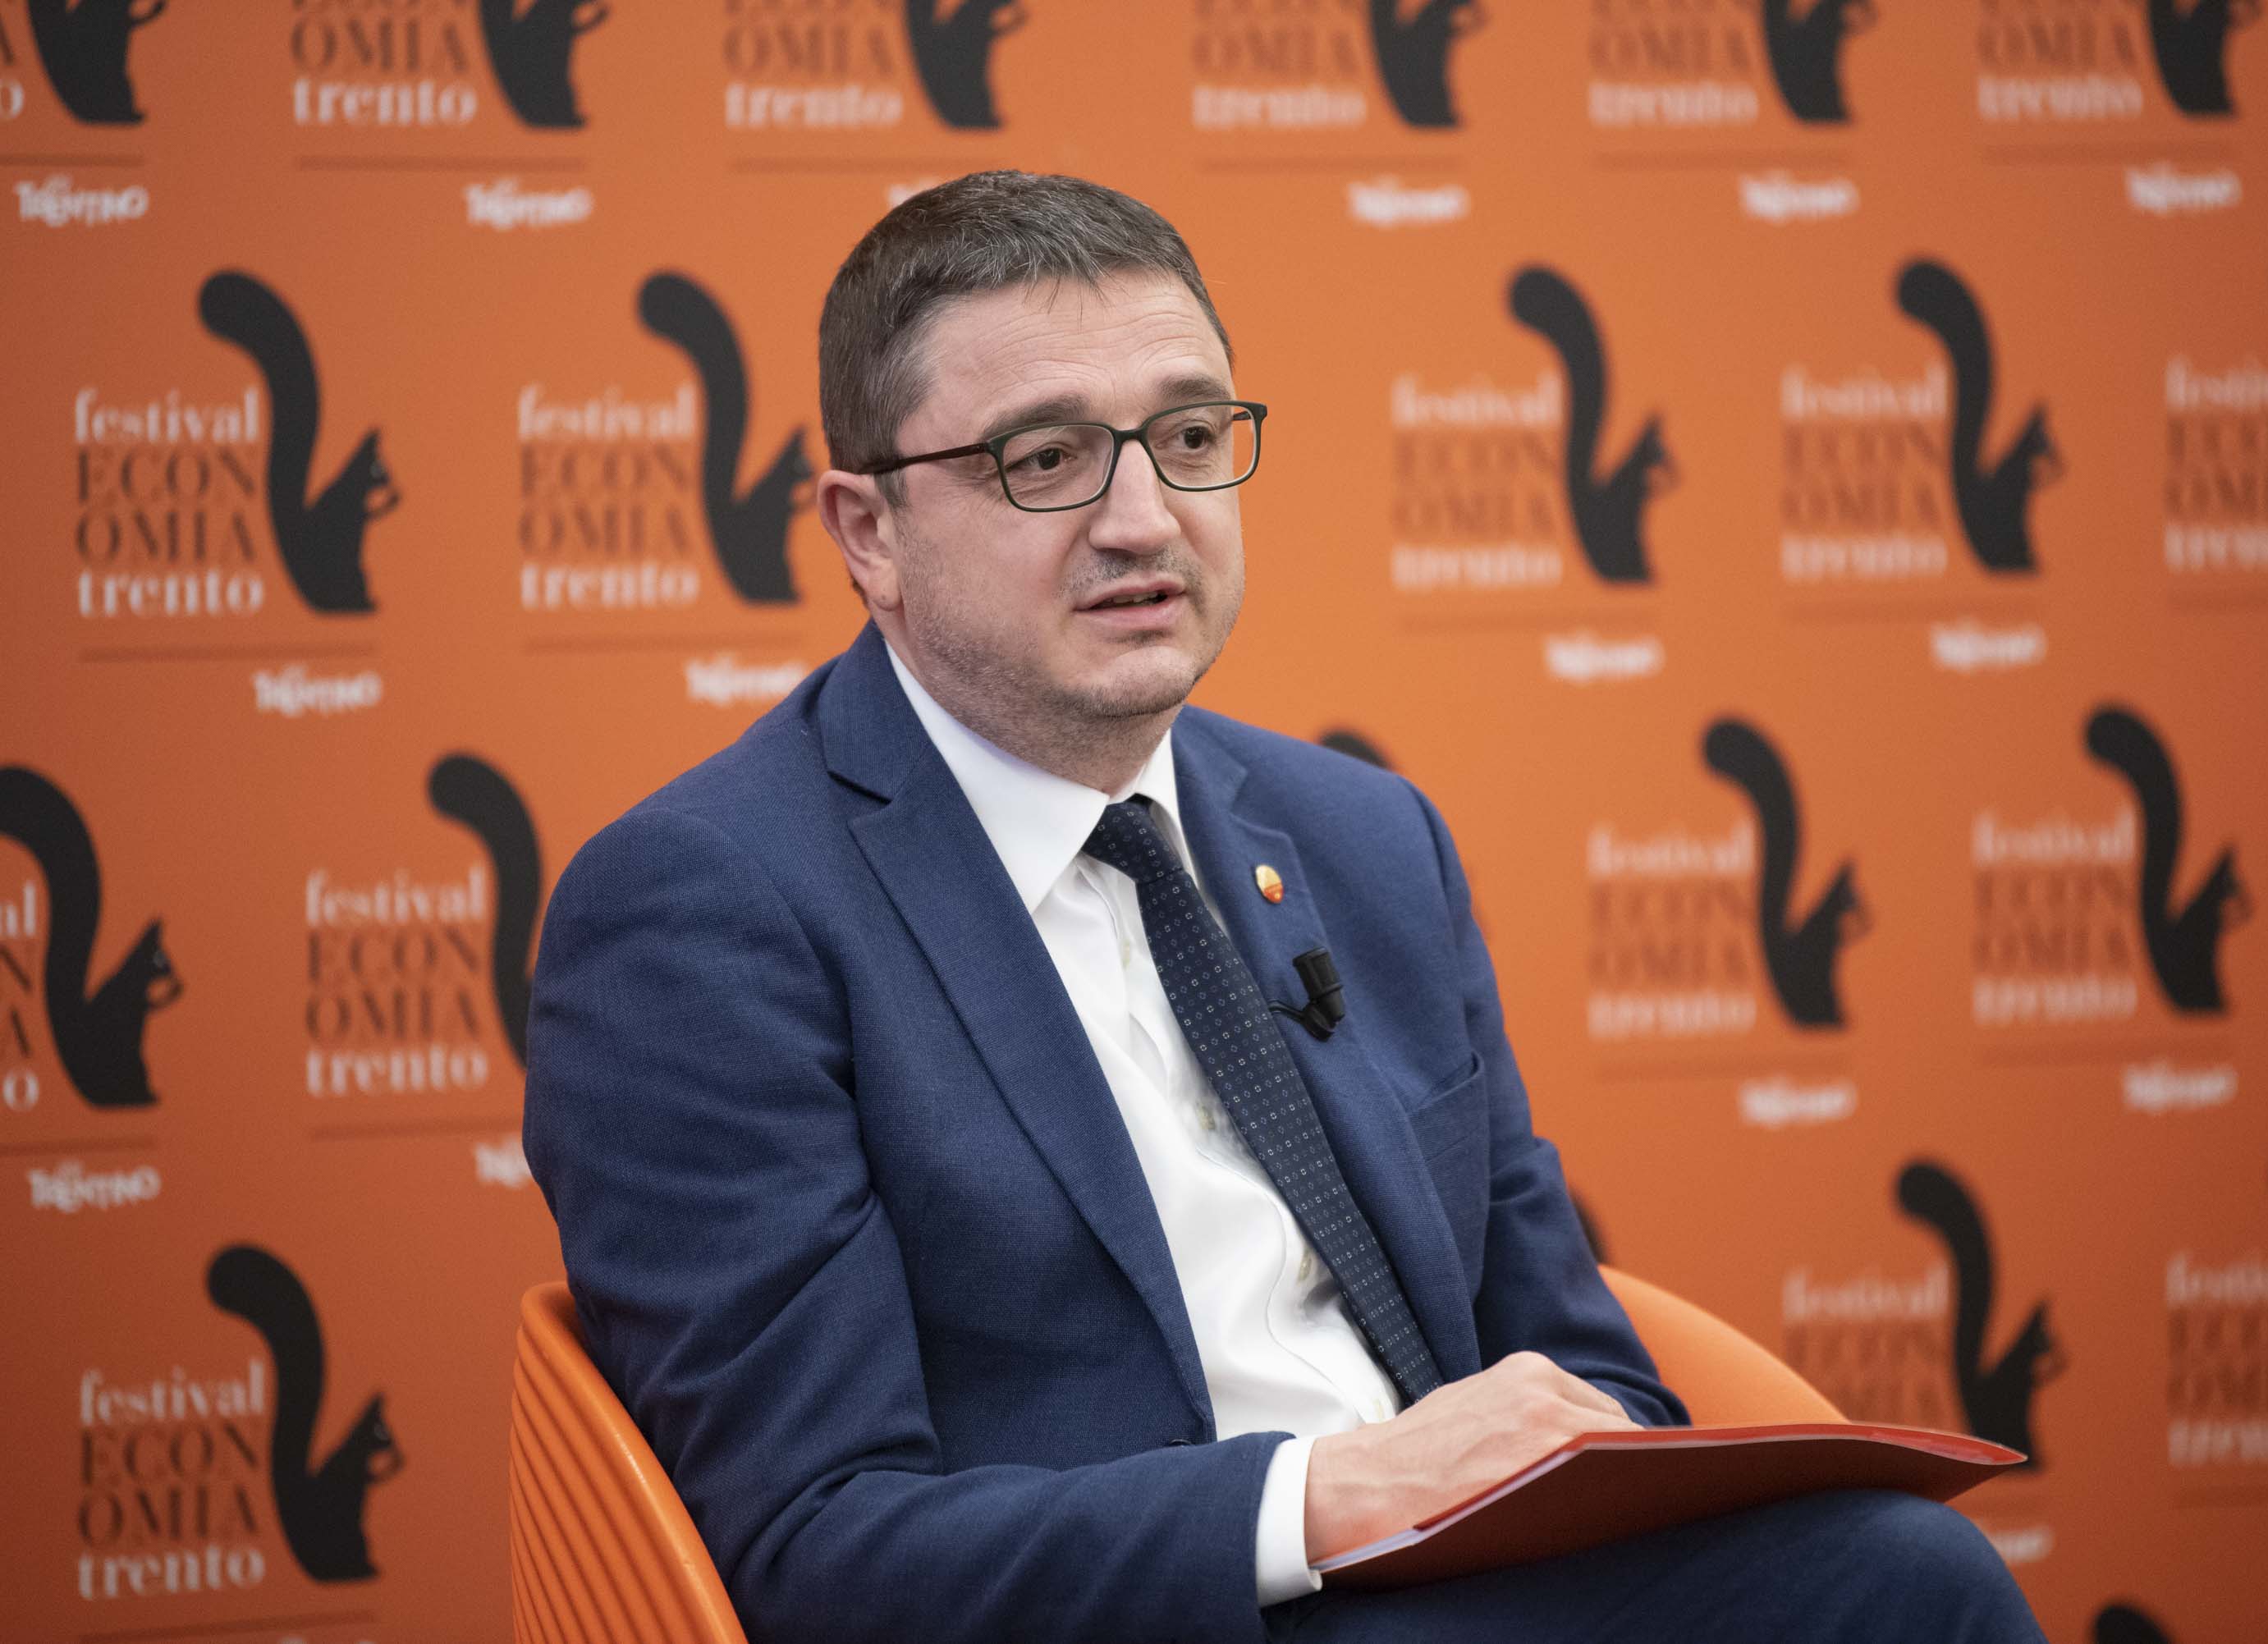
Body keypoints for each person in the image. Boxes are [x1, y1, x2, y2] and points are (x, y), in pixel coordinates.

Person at [523, 171, 2043, 1644]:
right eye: (1044, 460)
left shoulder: (1366, 839)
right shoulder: (704, 911)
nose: (1143, 519)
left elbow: (1586, 1378)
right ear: (871, 532)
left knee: (1905, 1580)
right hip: (1160, 1613)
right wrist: (1320, 1499)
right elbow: (816, 1550)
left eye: (1189, 438)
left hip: (1469, 1584)